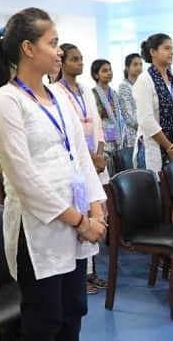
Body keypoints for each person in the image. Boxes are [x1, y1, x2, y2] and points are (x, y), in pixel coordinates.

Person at [0, 8, 107, 340]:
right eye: (53, 43)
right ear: (28, 48)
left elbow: (80, 157)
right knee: (44, 319)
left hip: (76, 221)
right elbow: (25, 181)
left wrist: (96, 210)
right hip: (38, 229)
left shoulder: (60, 96)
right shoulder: (4, 102)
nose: (60, 51)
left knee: (73, 312)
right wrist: (81, 222)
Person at [54, 43, 108, 294]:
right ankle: (81, 275)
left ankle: (91, 271)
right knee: (81, 215)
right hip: (76, 164)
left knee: (98, 214)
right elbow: (70, 132)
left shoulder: (86, 90)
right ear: (63, 63)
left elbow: (96, 123)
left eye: (81, 58)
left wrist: (99, 153)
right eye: (74, 59)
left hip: (94, 159)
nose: (80, 63)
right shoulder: (56, 91)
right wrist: (89, 158)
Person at [133, 33, 173, 172]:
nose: (171, 52)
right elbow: (146, 120)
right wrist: (168, 146)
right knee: (156, 190)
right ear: (153, 52)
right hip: (153, 146)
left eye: (172, 48)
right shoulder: (144, 80)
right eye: (166, 48)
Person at [91, 59, 124, 172]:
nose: (109, 73)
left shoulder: (114, 93)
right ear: (96, 74)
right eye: (105, 71)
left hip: (116, 138)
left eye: (110, 70)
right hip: (102, 141)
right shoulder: (93, 94)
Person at [117, 53, 142, 151]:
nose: (139, 67)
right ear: (127, 67)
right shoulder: (124, 87)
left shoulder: (142, 85)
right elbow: (128, 117)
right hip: (132, 136)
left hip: (146, 134)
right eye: (135, 64)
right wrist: (146, 125)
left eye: (140, 64)